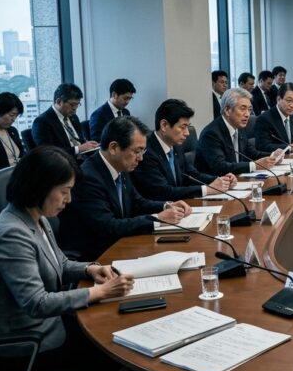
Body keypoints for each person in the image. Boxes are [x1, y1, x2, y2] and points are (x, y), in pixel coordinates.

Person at [0, 146, 144, 371]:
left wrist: (91, 269)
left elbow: (60, 264)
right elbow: (36, 303)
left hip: (36, 326)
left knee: (105, 340)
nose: (69, 199)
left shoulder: (34, 216)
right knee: (115, 353)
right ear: (40, 188)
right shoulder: (13, 233)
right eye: (64, 192)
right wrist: (97, 292)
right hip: (16, 340)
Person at [59, 116, 190, 261]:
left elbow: (137, 202)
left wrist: (166, 205)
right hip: (97, 257)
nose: (140, 158)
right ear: (114, 148)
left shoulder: (120, 166)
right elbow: (108, 226)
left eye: (143, 151)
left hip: (120, 245)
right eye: (137, 151)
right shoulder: (89, 178)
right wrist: (157, 219)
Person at [131, 99, 236, 201]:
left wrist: (220, 180)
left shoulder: (175, 145)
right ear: (164, 125)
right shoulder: (146, 151)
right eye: (183, 127)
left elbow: (192, 175)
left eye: (188, 127)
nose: (187, 133)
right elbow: (163, 192)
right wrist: (206, 190)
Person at [196, 87, 283, 176]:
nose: (247, 114)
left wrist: (273, 156)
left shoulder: (239, 127)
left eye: (249, 109)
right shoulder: (211, 134)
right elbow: (220, 167)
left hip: (238, 180)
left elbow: (252, 154)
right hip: (217, 185)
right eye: (242, 108)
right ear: (227, 110)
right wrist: (254, 165)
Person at [31, 83, 99, 157]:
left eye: (77, 104)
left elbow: (81, 142)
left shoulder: (73, 117)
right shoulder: (42, 122)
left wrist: (90, 146)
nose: (75, 108)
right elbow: (48, 153)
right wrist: (78, 149)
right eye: (72, 104)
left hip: (84, 159)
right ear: (59, 102)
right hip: (64, 164)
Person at [254, 83, 293, 156]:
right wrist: (289, 148)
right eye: (289, 101)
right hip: (275, 162)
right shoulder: (264, 119)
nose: (292, 105)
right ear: (278, 99)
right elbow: (262, 146)